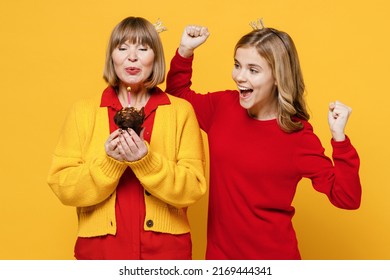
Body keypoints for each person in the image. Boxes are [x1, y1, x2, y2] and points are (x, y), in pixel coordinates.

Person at [165, 23, 362, 260]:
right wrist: (185, 52)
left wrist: (339, 139)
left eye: (253, 70)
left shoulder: (297, 136)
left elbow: (347, 198)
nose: (239, 76)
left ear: (278, 77)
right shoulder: (224, 106)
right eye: (237, 65)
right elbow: (179, 98)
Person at [47, 17, 207, 260]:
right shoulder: (83, 112)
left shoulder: (180, 111)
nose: (132, 57)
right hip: (100, 254)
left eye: (143, 49)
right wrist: (109, 162)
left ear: (156, 58)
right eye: (123, 48)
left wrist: (146, 161)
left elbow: (193, 188)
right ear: (112, 57)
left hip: (165, 254)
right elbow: (63, 186)